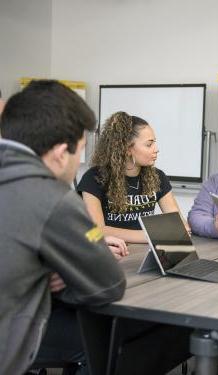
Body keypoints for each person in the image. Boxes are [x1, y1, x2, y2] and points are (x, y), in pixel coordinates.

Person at [0, 80, 126, 375]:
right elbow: (108, 284)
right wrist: (55, 274)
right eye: (80, 151)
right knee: (110, 342)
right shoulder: (54, 198)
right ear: (59, 153)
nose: (80, 162)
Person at [78, 111, 187, 243]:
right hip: (112, 254)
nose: (156, 149)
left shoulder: (158, 177)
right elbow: (97, 230)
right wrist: (153, 235)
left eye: (154, 143)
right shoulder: (93, 178)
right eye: (149, 144)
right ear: (127, 149)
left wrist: (172, 231)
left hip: (147, 252)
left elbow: (180, 225)